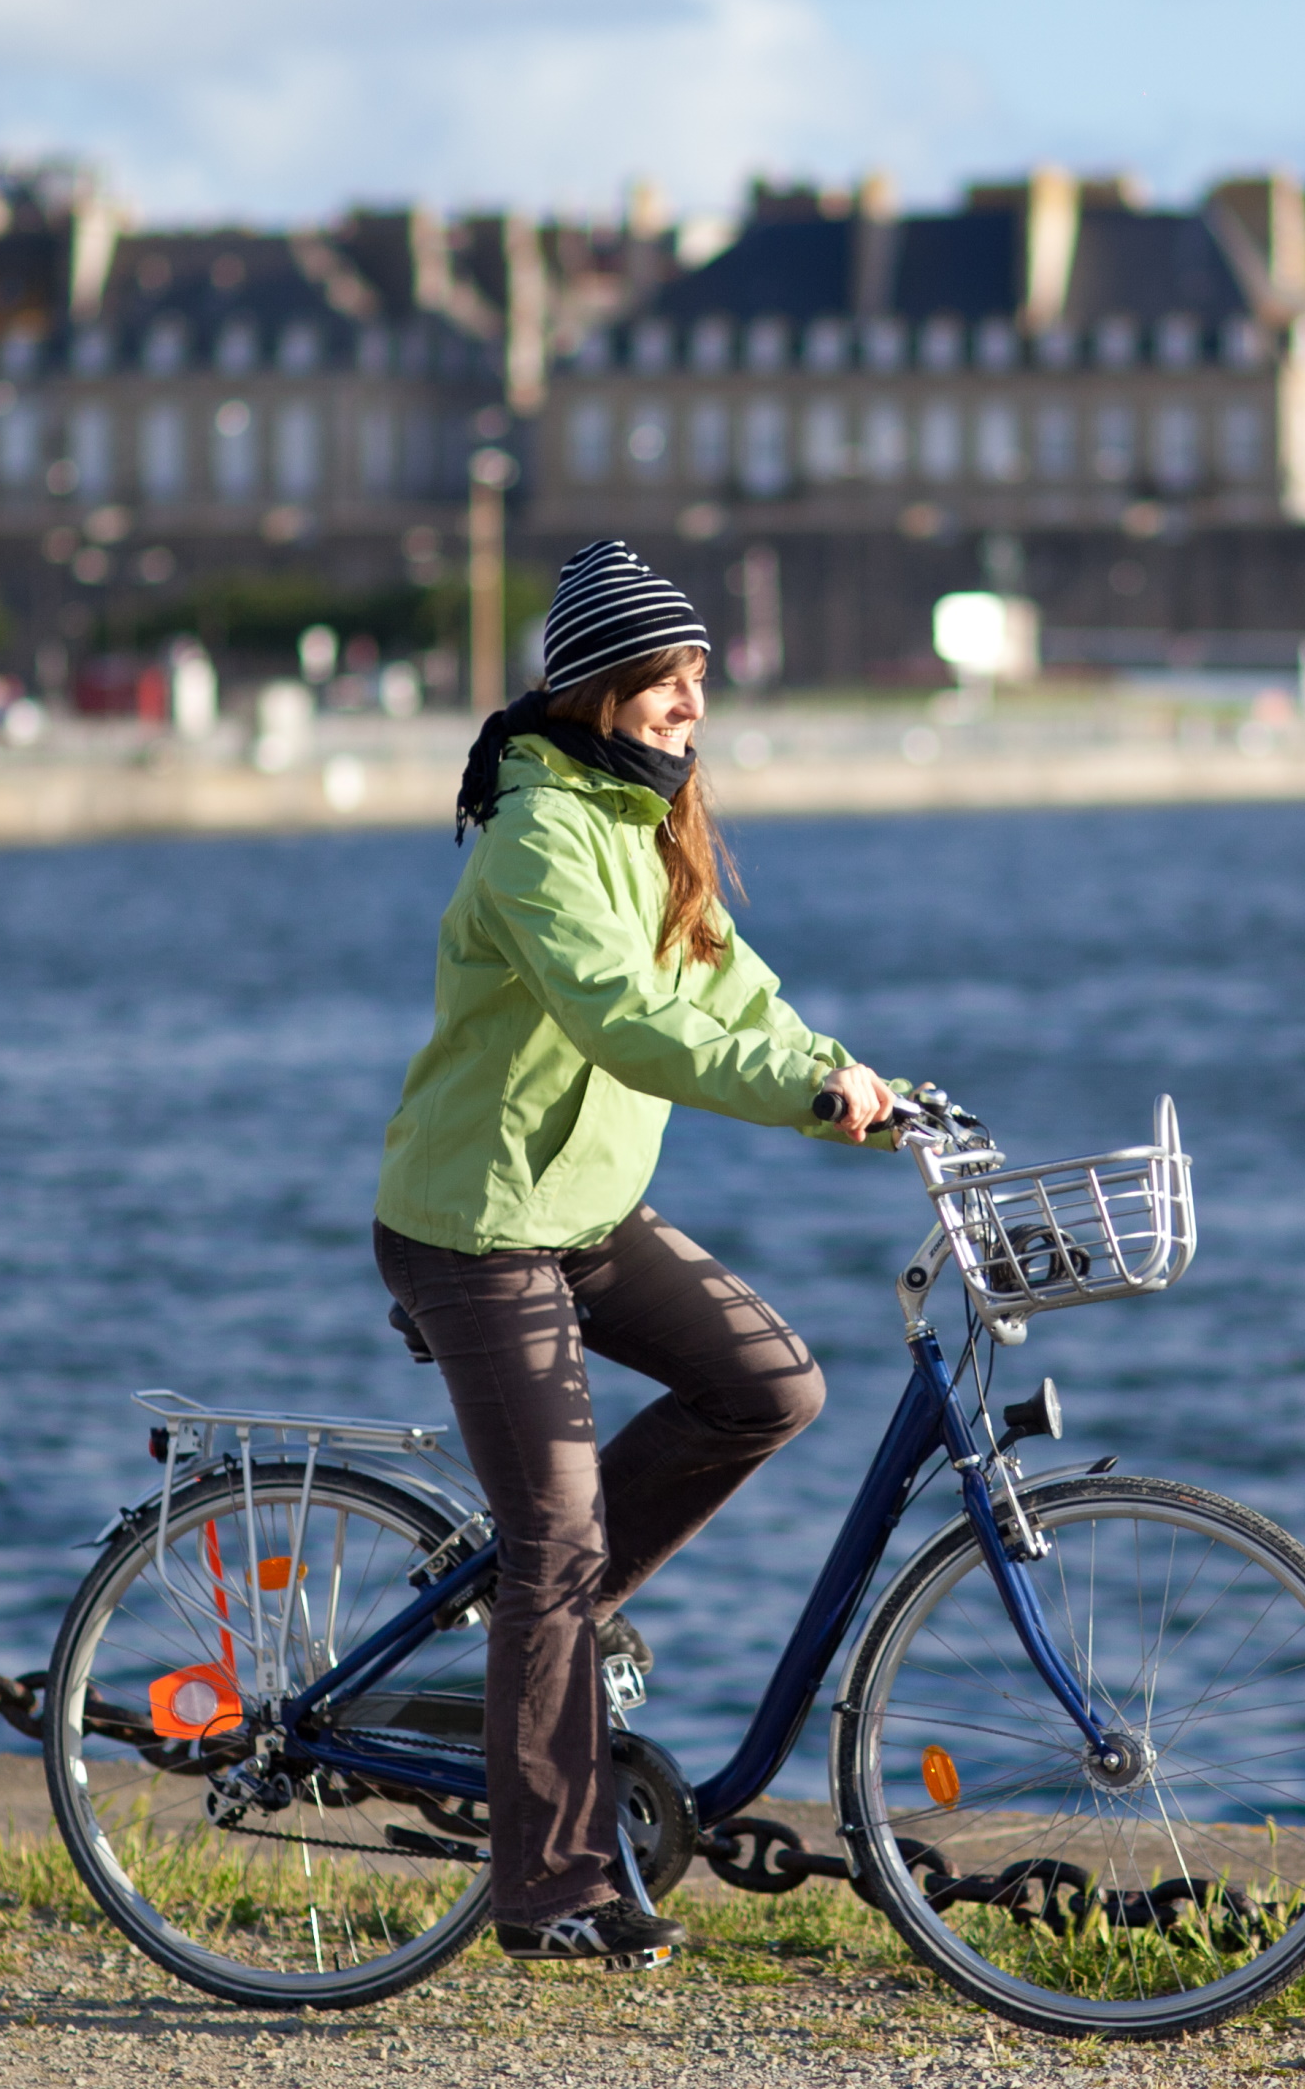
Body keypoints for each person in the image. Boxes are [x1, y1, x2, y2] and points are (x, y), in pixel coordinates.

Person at [372, 538, 898, 1965]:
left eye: (697, 678)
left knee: (772, 1383)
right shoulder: (543, 833)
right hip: (475, 1223)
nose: (692, 706)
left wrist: (849, 1069)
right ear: (601, 688)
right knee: (552, 1535)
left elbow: (732, 987)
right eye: (669, 681)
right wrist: (798, 1100)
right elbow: (626, 1020)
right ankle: (549, 1886)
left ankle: (540, 1630)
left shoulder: (650, 812)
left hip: (583, 1212)